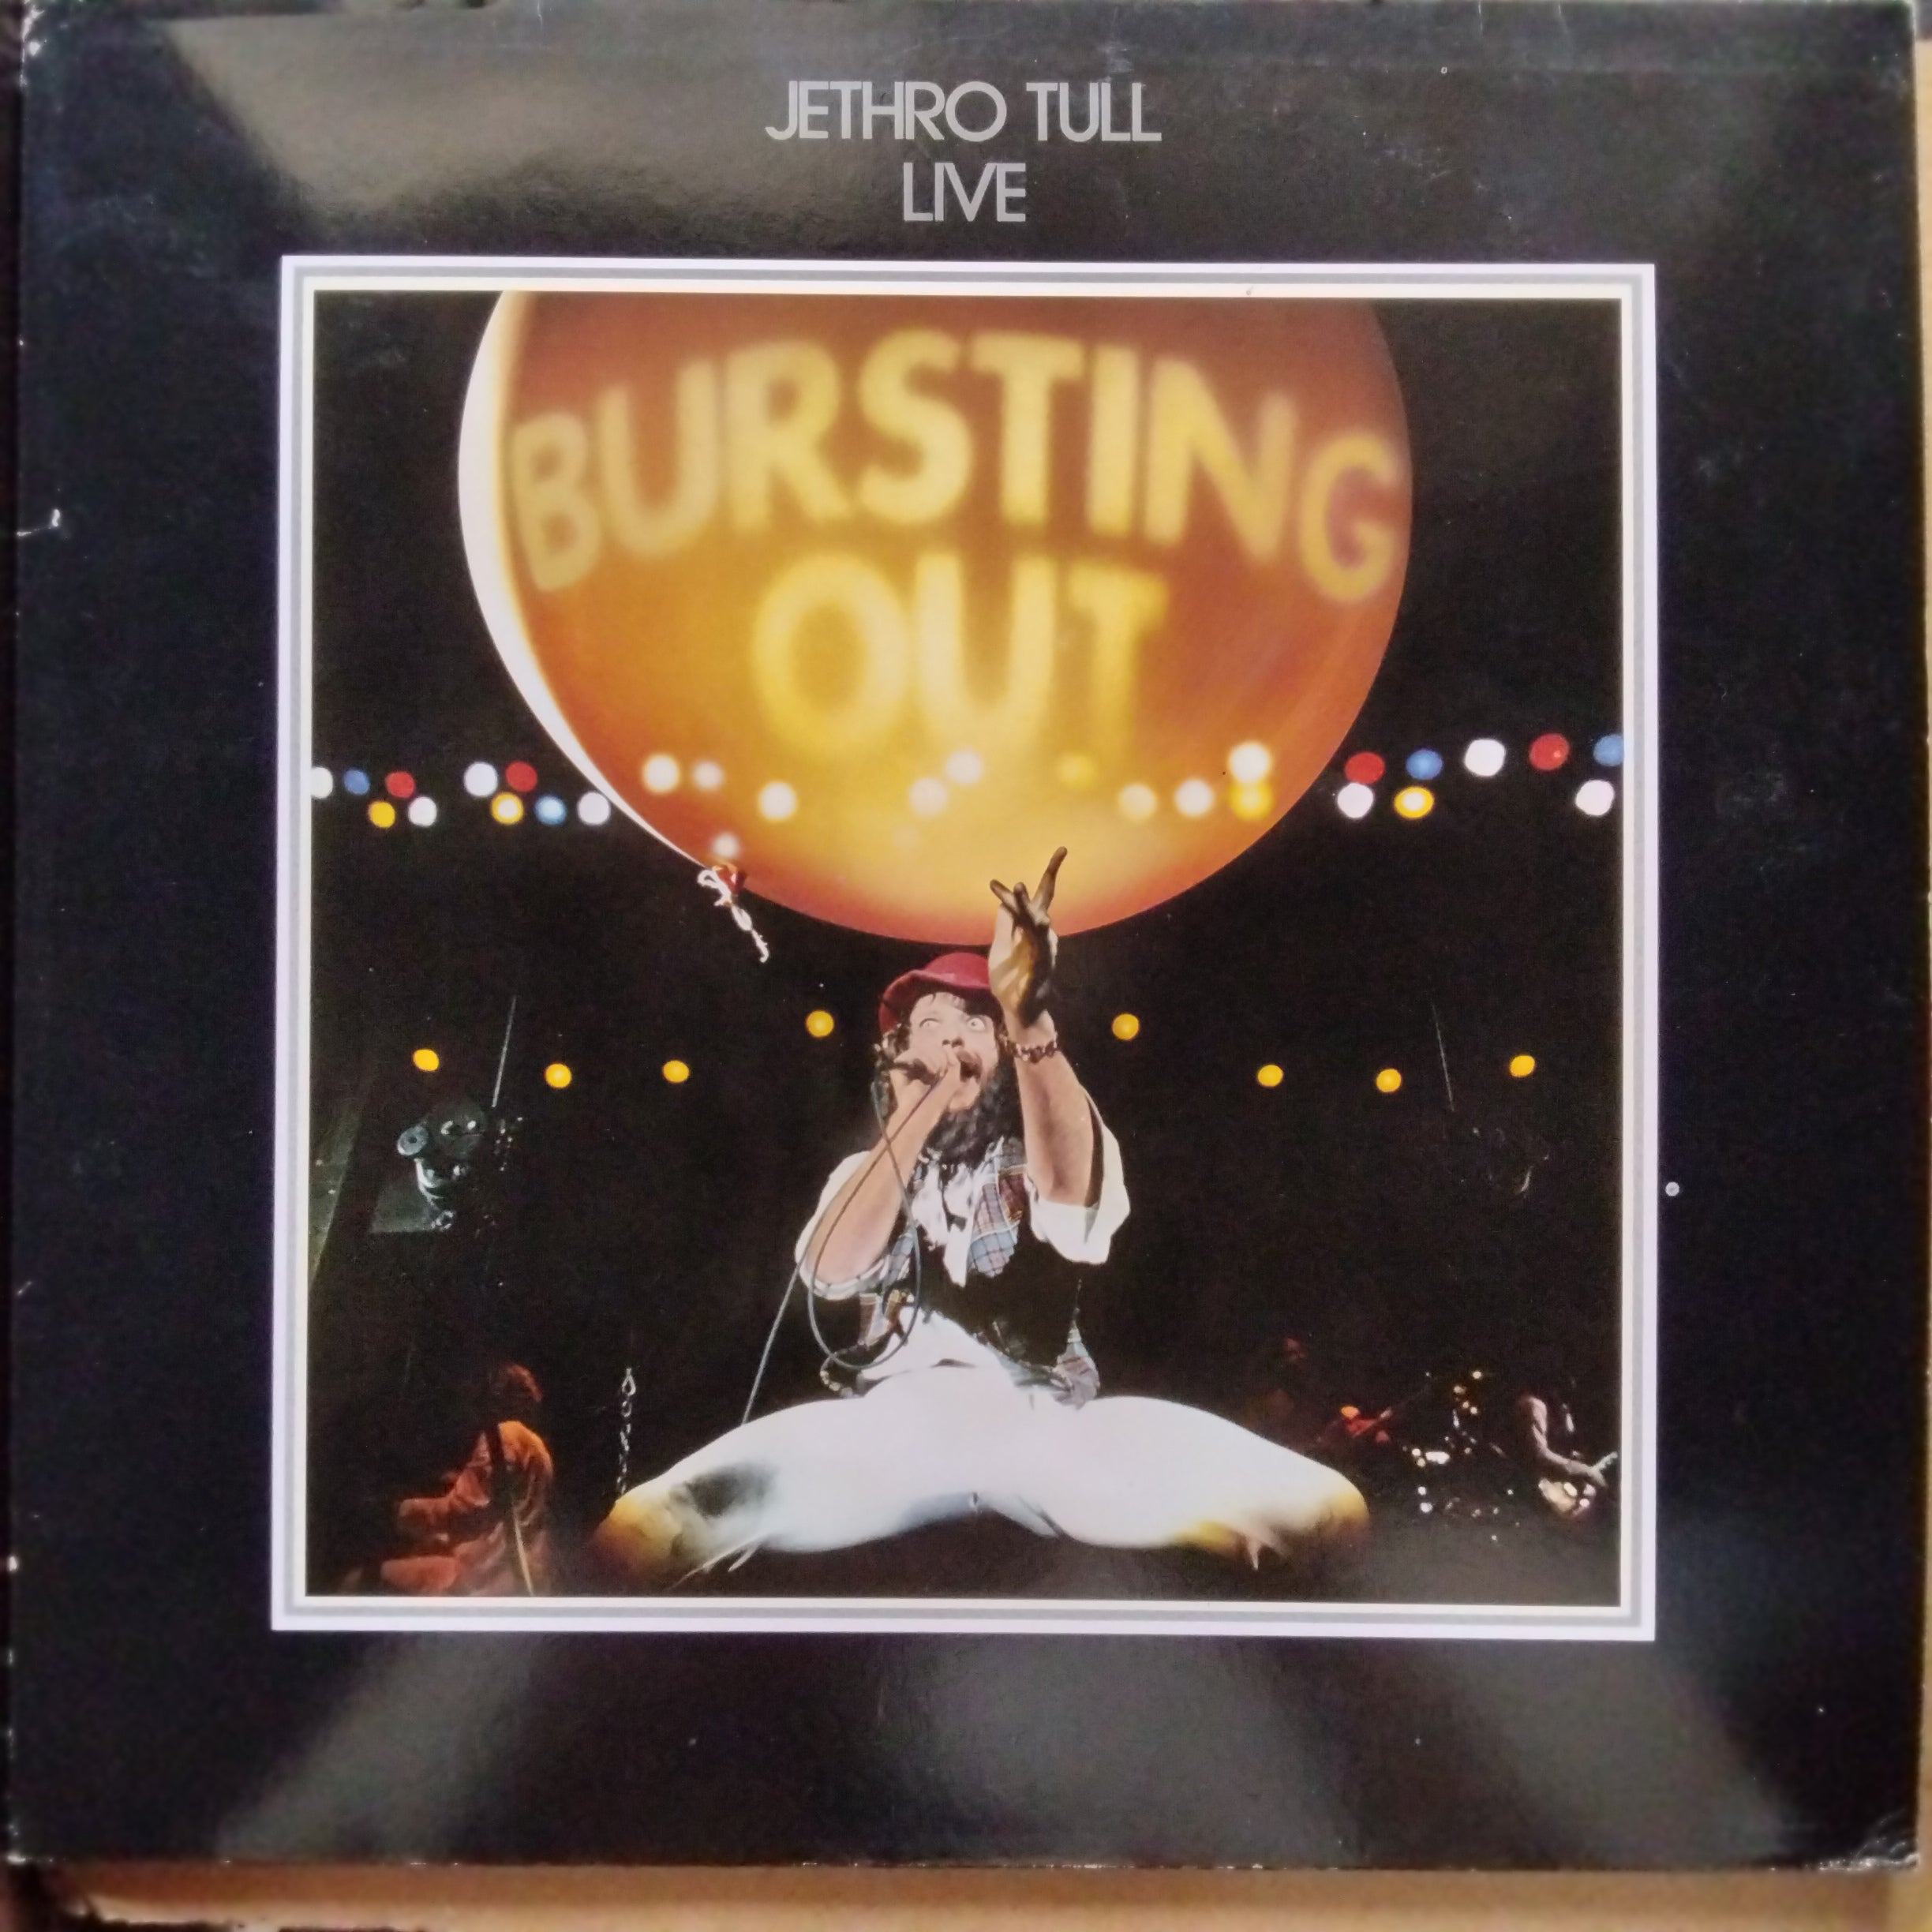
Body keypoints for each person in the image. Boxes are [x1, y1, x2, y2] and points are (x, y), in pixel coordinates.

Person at [590, 853, 1366, 1589]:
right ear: (895, 1051)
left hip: (1046, 1427)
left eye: (974, 1024)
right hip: (890, 1431)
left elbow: (1070, 1197)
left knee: (1326, 1510)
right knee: (647, 1525)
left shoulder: (1051, 1141)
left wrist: (1027, 1014)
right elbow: (830, 1272)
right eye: (930, 1024)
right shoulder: (870, 1171)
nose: (952, 1041)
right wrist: (917, 1110)